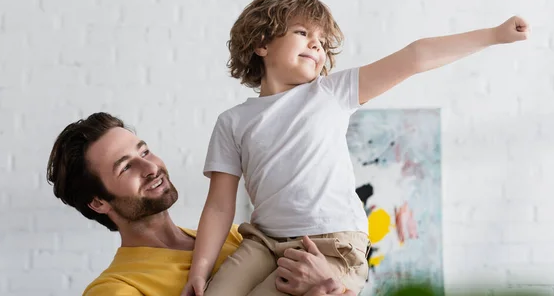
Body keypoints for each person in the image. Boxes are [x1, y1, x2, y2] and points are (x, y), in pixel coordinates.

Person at [184, 0, 530, 295]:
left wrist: (494, 35)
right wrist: (199, 270)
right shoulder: (232, 122)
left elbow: (415, 57)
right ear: (261, 44)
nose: (316, 45)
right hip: (263, 241)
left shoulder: (331, 93)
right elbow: (218, 206)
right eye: (302, 33)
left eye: (320, 40)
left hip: (330, 244)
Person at [47, 112, 348, 296]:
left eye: (145, 151)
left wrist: (332, 284)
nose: (150, 168)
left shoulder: (238, 238)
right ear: (98, 202)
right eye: (125, 167)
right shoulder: (116, 288)